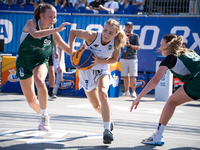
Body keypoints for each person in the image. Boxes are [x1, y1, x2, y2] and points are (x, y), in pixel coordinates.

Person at [130, 34, 200, 146]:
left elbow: (155, 80)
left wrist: (139, 97)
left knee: (171, 101)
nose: (160, 47)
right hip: (196, 78)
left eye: (162, 45)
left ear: (169, 46)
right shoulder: (189, 51)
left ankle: (157, 136)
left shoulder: (171, 58)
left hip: (197, 80)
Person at [68, 19, 126, 144]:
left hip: (102, 68)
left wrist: (100, 62)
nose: (106, 35)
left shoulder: (116, 42)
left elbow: (115, 59)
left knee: (103, 93)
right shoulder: (92, 36)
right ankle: (108, 119)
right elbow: (72, 32)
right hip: (86, 71)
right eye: (105, 30)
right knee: (95, 105)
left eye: (111, 32)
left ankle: (106, 131)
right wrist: (72, 52)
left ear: (116, 34)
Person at [16, 3, 71, 132]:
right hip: (23, 61)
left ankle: (44, 116)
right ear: (41, 16)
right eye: (50, 17)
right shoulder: (31, 23)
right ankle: (43, 114)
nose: (53, 20)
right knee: (31, 101)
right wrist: (56, 30)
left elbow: (68, 49)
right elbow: (35, 34)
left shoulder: (53, 32)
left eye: (55, 17)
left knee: (40, 81)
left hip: (40, 60)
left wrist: (84, 51)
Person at [120, 21, 140, 98]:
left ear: (132, 28)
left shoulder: (135, 36)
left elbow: (138, 47)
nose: (128, 28)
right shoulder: (122, 36)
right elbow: (119, 46)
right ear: (125, 27)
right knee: (125, 76)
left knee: (133, 76)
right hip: (123, 57)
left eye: (129, 27)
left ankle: (133, 92)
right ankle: (126, 91)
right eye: (126, 27)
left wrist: (129, 45)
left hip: (132, 58)